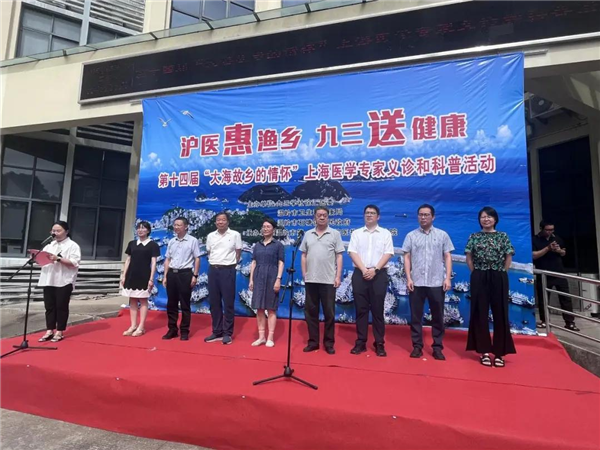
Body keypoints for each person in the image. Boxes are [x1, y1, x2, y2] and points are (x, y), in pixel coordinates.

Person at [465, 206, 516, 368]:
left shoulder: (503, 236)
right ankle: (484, 351)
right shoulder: (474, 236)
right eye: (483, 217)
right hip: (479, 275)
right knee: (480, 312)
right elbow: (469, 257)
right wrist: (476, 273)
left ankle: (500, 352)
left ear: (495, 219)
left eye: (489, 217)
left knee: (500, 312)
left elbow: (508, 256)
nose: (486, 219)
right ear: (479, 220)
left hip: (498, 275)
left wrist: (501, 273)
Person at [402, 204, 454, 360]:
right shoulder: (411, 235)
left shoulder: (442, 235)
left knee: (437, 317)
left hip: (436, 282)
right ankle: (417, 346)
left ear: (433, 217)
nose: (423, 217)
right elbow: (406, 257)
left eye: (426, 214)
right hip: (416, 282)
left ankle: (437, 347)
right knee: (416, 317)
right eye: (420, 214)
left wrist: (447, 278)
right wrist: (408, 278)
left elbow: (447, 256)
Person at [347, 205, 394, 357]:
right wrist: (364, 269)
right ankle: (361, 342)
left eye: (372, 213)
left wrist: (375, 270)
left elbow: (388, 253)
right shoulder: (356, 233)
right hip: (359, 274)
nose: (369, 215)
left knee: (377, 310)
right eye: (367, 213)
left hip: (379, 275)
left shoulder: (385, 233)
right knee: (361, 310)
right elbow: (352, 252)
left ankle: (379, 343)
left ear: (378, 216)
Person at [299, 206, 345, 354]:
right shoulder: (308, 234)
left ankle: (329, 343)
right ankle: (313, 342)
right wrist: (304, 274)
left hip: (328, 280)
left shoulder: (335, 234)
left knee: (329, 313)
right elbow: (303, 255)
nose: (322, 217)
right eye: (319, 215)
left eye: (324, 215)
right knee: (311, 312)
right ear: (314, 217)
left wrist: (338, 276)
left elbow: (339, 256)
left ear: (328, 217)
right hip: (311, 279)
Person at [37, 221, 81, 343]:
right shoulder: (49, 245)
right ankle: (49, 330)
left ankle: (60, 331)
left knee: (61, 306)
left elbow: (74, 263)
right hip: (49, 279)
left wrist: (58, 259)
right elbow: (41, 259)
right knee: (49, 306)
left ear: (66, 232)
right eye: (53, 231)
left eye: (58, 230)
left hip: (64, 280)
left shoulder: (72, 245)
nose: (55, 233)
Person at [532, 220, 579, 331]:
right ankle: (544, 321)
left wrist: (558, 250)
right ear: (541, 229)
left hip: (559, 272)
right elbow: (534, 255)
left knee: (565, 298)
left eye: (552, 230)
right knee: (543, 299)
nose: (550, 232)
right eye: (547, 230)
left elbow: (564, 253)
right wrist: (548, 248)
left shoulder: (557, 238)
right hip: (544, 273)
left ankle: (569, 322)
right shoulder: (534, 240)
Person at [204, 212, 242, 345]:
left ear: (228, 222)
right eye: (218, 220)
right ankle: (217, 331)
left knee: (228, 302)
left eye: (223, 220)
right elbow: (209, 252)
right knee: (214, 302)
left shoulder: (235, 235)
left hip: (228, 270)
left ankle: (227, 333)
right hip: (213, 270)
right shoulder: (210, 236)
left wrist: (230, 265)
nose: (220, 222)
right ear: (215, 222)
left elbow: (238, 252)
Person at [162, 217, 201, 341]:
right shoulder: (171, 241)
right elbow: (168, 259)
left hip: (185, 274)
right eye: (175, 225)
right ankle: (172, 329)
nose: (176, 227)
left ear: (186, 226)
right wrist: (165, 276)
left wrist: (195, 275)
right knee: (171, 304)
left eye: (179, 225)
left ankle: (184, 330)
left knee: (185, 304)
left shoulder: (192, 240)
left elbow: (197, 258)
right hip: (172, 274)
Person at [120, 221, 160, 337]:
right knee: (132, 300)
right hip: (131, 275)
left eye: (143, 228)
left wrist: (151, 279)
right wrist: (124, 275)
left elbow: (153, 263)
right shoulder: (132, 243)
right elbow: (128, 260)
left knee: (143, 300)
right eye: (138, 228)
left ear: (148, 230)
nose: (140, 230)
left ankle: (141, 326)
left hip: (144, 275)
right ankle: (133, 325)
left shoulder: (152, 245)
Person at [249, 218, 285, 347]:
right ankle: (261, 337)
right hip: (258, 277)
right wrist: (251, 279)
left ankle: (270, 337)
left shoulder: (278, 245)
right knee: (259, 308)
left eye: (268, 226)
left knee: (271, 308)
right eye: (264, 226)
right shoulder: (257, 245)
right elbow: (254, 262)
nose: (265, 229)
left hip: (272, 277)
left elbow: (281, 263)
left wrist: (278, 279)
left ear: (273, 229)